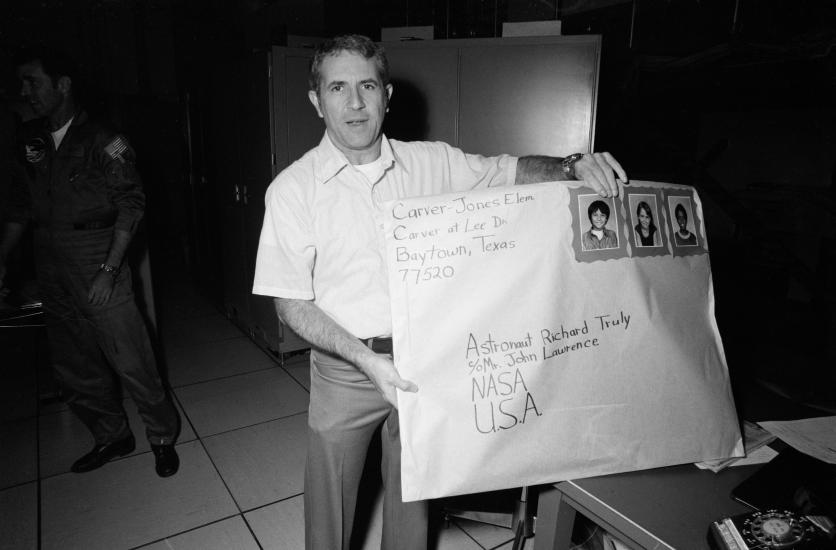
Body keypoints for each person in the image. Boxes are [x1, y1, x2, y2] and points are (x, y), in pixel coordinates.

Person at [252, 34, 627, 550]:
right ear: (316, 100)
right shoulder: (292, 190)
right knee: (330, 507)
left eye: (368, 85)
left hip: (425, 364)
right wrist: (365, 360)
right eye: (338, 87)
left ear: (388, 95)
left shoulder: (433, 163)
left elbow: (508, 172)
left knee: (415, 497)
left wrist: (571, 166)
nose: (355, 103)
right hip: (345, 369)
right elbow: (290, 300)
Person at [0, 47, 180, 477]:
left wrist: (109, 269)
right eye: (22, 83)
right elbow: (20, 208)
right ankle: (111, 435)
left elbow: (131, 205)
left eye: (33, 82)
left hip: (96, 256)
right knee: (73, 363)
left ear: (62, 85)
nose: (25, 91)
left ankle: (160, 437)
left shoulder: (105, 139)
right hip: (50, 260)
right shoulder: (31, 141)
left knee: (131, 357)